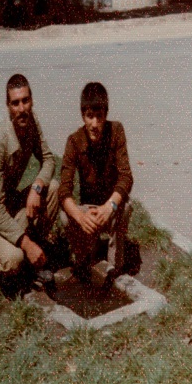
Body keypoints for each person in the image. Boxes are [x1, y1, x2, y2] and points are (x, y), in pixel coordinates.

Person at [0, 74, 58, 296]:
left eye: (26, 101)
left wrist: (37, 186)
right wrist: (26, 245)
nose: (22, 109)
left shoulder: (32, 122)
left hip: (11, 200)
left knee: (53, 188)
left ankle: (36, 250)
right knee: (15, 259)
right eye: (15, 103)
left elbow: (48, 159)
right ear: (8, 106)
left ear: (31, 101)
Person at [59, 82, 134, 284]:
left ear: (106, 115)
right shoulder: (74, 141)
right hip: (88, 211)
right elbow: (64, 190)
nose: (94, 123)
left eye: (99, 116)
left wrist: (110, 207)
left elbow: (126, 177)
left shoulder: (116, 131)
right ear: (83, 115)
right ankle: (83, 257)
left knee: (126, 206)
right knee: (65, 216)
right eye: (89, 116)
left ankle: (115, 267)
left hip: (110, 207)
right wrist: (80, 216)